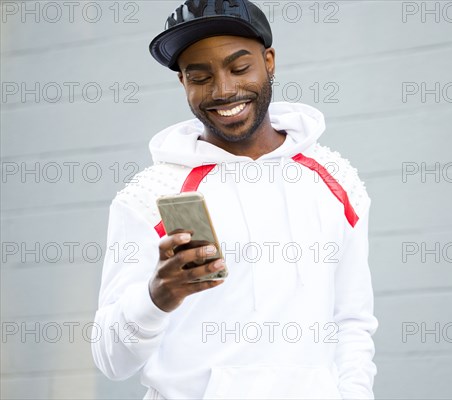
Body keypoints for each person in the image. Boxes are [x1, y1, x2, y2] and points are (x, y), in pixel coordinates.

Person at [92, 0, 377, 398]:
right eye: (200, 77)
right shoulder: (151, 194)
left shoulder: (335, 179)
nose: (223, 90)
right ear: (183, 84)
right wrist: (157, 296)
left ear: (270, 62)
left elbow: (351, 322)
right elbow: (111, 360)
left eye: (239, 68)